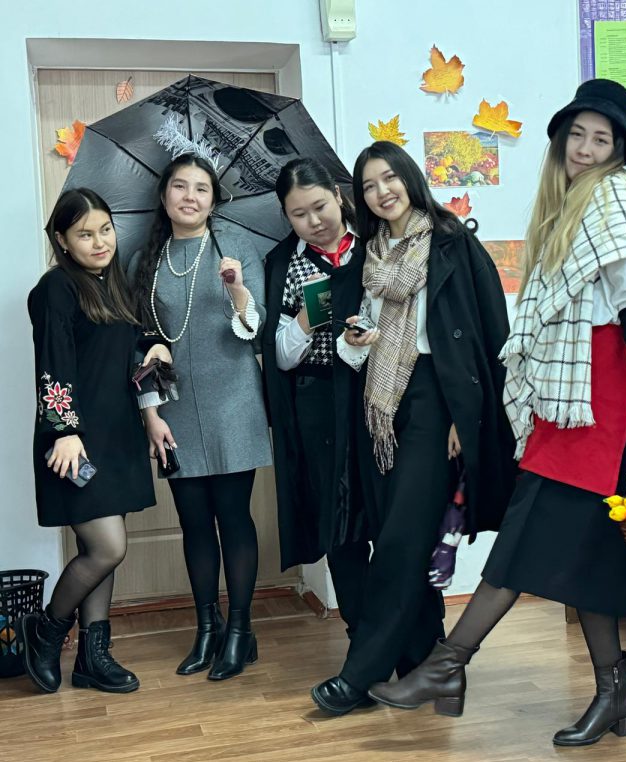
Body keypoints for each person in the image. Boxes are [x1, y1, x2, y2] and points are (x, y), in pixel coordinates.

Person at [366, 79, 626, 746]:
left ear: (617, 150)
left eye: (601, 139)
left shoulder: (615, 197)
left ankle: (447, 666)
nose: (585, 148)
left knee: (523, 537)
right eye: (578, 135)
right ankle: (616, 695)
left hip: (601, 396)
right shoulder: (566, 206)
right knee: (586, 554)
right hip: (569, 397)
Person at [310, 140, 515, 715]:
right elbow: (354, 350)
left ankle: (360, 675)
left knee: (401, 540)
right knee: (403, 536)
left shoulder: (452, 244)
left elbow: (492, 336)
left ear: (409, 177)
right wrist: (356, 342)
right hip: (380, 406)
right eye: (368, 186)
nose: (381, 192)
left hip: (437, 403)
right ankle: (425, 665)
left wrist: (465, 417)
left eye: (389, 178)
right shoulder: (367, 258)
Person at [129, 152, 271, 681]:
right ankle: (207, 628)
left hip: (234, 399)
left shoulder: (237, 248)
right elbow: (137, 344)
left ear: (215, 200)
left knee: (233, 516)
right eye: (180, 186)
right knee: (193, 522)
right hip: (174, 409)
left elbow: (256, 328)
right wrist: (150, 413)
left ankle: (240, 631)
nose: (190, 196)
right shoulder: (144, 260)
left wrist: (236, 288)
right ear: (164, 195)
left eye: (201, 188)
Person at [20, 188, 168, 694]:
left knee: (98, 547)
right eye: (85, 234)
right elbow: (54, 363)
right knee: (108, 548)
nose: (100, 241)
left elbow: (130, 353)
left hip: (118, 437)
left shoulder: (117, 285)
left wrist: (153, 354)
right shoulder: (55, 288)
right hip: (75, 442)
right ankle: (44, 630)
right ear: (62, 240)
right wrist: (64, 431)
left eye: (105, 229)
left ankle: (93, 657)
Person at [262, 158, 371, 638]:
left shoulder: (375, 247)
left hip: (377, 395)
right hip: (318, 401)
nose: (314, 221)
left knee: (394, 515)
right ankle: (361, 634)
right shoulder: (283, 264)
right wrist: (310, 317)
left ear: (339, 196)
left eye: (320, 206)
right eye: (299, 214)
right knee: (339, 522)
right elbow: (281, 358)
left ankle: (411, 632)